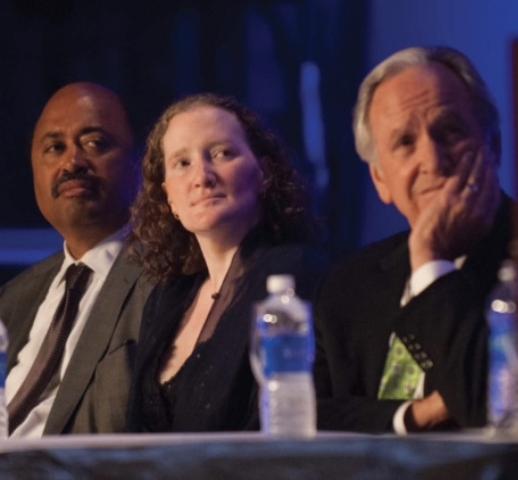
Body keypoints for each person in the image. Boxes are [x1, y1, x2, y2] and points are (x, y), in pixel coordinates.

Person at [313, 46, 512, 433]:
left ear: (494, 147)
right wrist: (416, 414)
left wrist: (431, 263)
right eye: (405, 142)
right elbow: (304, 418)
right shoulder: (345, 288)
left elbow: (488, 407)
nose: (433, 161)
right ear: (380, 180)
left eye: (450, 131)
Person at [125, 93, 325, 433]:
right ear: (169, 197)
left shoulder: (296, 275)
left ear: (264, 173)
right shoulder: (167, 296)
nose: (202, 176)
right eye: (182, 163)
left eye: (221, 154)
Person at [0, 82, 152, 437]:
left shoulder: (167, 277)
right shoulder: (15, 298)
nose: (72, 161)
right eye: (55, 148)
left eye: (94, 143)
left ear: (141, 161)